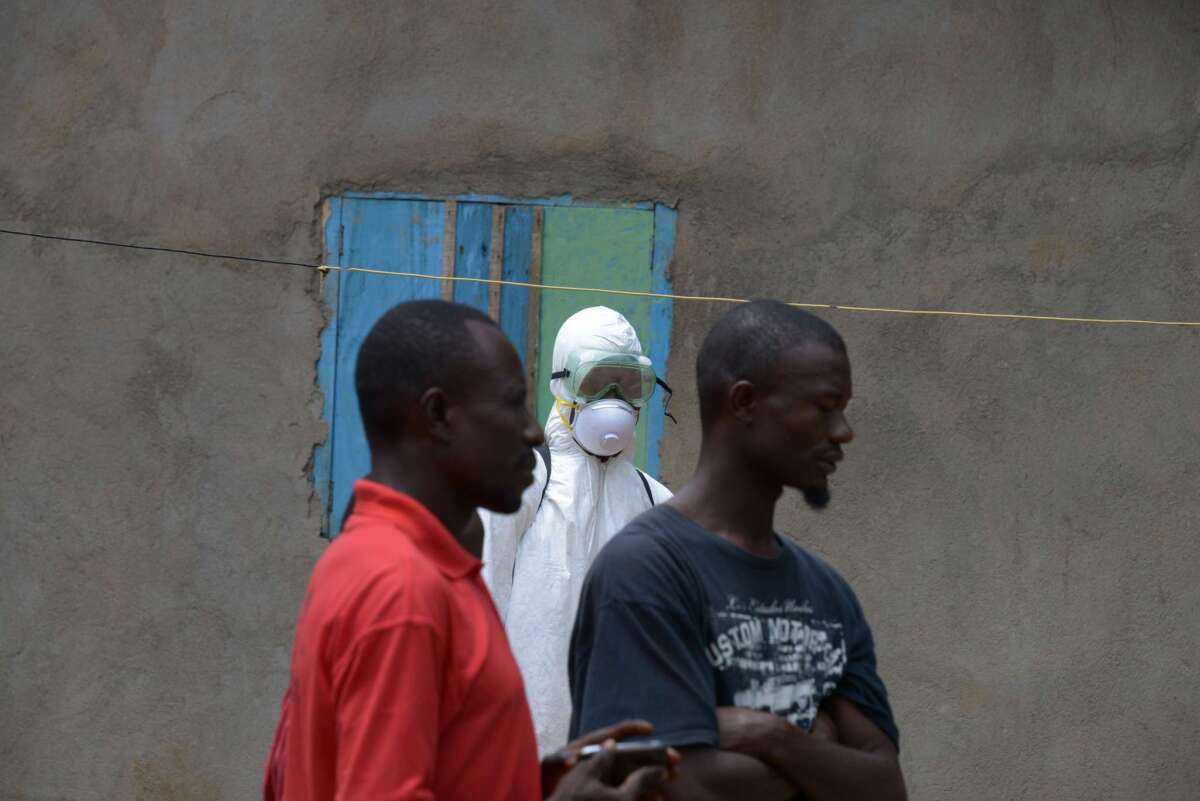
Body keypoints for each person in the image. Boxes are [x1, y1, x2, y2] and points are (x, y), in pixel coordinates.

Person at [263, 300, 673, 801]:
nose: (531, 431)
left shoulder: (398, 568)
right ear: (439, 416)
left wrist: (543, 782)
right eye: (511, 404)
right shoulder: (400, 594)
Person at [568, 301, 907, 801]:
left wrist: (770, 736)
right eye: (824, 407)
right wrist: (822, 745)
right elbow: (669, 786)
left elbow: (883, 787)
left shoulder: (828, 593)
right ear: (745, 403)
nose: (842, 432)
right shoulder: (644, 573)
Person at [481, 306, 673, 755]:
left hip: (615, 761)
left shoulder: (656, 503)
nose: (614, 398)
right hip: (519, 756)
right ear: (561, 383)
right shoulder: (519, 482)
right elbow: (480, 610)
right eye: (597, 382)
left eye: (629, 385)